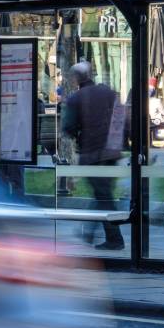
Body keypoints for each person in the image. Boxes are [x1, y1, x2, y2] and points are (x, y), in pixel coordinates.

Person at [61, 62, 126, 251]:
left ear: (76, 78)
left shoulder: (76, 99)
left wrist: (79, 136)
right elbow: (121, 118)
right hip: (112, 152)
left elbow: (69, 127)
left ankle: (115, 239)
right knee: (102, 193)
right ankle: (89, 233)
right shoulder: (109, 93)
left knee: (103, 195)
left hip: (92, 154)